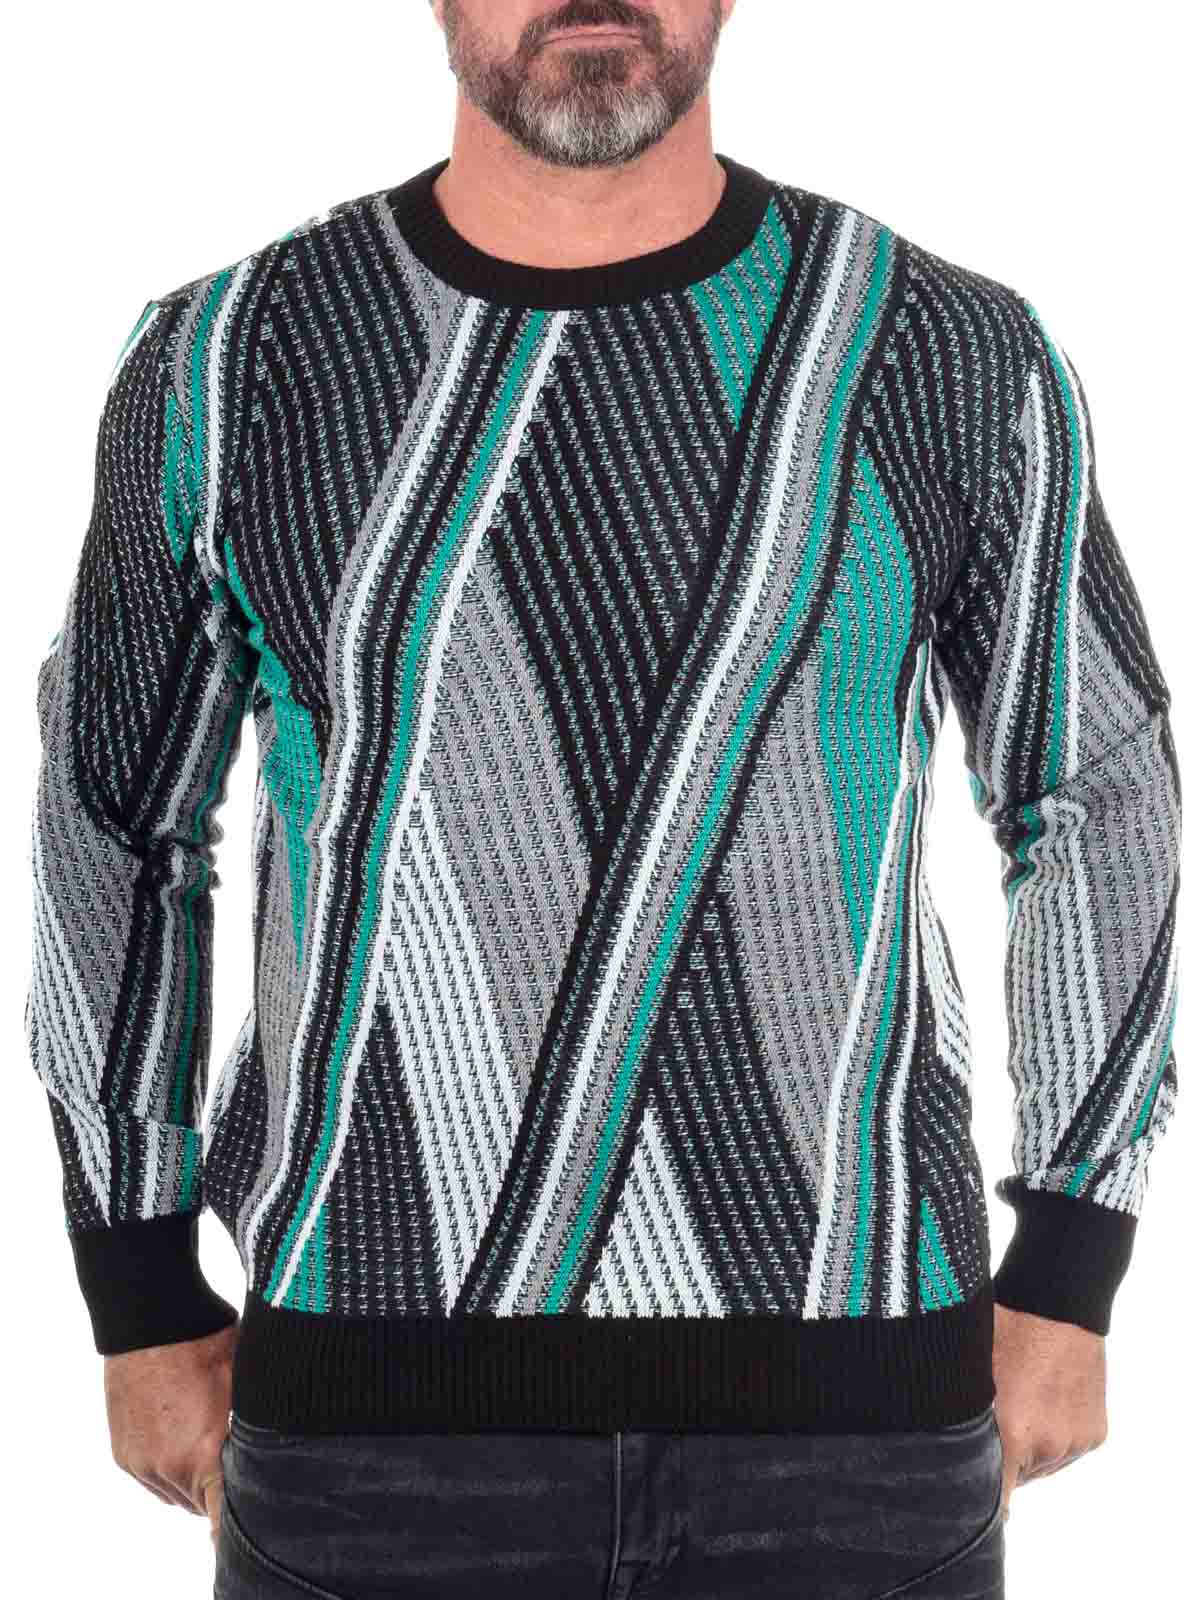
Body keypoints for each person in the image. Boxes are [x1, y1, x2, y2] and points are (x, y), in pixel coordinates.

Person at [25, 3, 1181, 1597]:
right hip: (371, 1430)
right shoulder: (235, 358)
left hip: (856, 1429)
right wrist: (139, 1286)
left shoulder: (939, 348)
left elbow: (1096, 789)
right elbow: (115, 819)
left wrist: (1072, 1259)